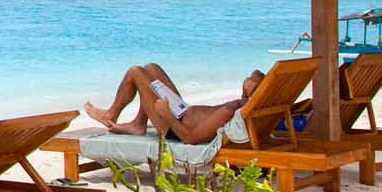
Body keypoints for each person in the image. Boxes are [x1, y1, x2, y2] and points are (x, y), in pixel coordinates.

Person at [83, 64, 265, 144]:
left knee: (135, 72)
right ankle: (138, 124)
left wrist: (166, 114)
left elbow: (190, 138)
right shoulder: (248, 105)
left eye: (252, 82)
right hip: (182, 112)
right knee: (152, 68)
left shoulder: (229, 111)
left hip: (173, 127)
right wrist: (246, 92)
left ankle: (110, 115)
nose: (249, 78)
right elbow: (258, 74)